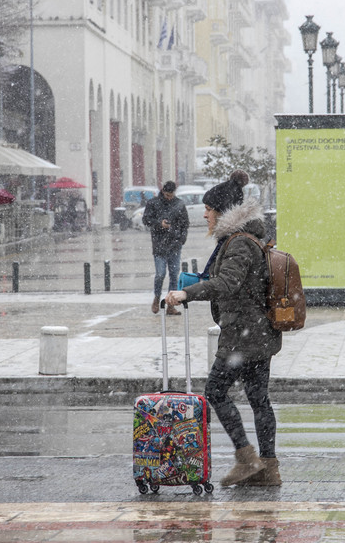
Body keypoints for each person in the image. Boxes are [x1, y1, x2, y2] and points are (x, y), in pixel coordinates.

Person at [165, 170, 282, 487]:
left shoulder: (240, 243)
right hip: (257, 333)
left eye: (209, 209)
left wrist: (188, 293)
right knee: (259, 399)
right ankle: (269, 469)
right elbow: (231, 282)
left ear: (224, 211)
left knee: (216, 391)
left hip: (242, 335)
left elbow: (229, 283)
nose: (204, 214)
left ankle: (247, 460)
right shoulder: (243, 239)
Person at [142, 181, 189, 316]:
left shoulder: (179, 204)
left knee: (174, 276)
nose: (169, 197)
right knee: (160, 274)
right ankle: (157, 298)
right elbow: (146, 220)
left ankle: (171, 305)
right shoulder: (153, 203)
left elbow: (185, 223)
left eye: (171, 194)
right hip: (159, 246)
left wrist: (181, 238)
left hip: (175, 245)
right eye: (167, 194)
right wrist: (159, 224)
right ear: (163, 192)